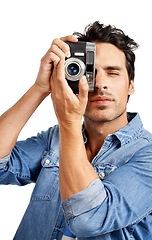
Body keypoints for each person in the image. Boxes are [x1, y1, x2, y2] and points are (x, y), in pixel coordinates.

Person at [0, 21, 152, 240]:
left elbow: (90, 219)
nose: (100, 84)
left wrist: (69, 121)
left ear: (131, 85)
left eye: (113, 73)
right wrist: (40, 88)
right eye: (89, 72)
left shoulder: (147, 155)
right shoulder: (56, 138)